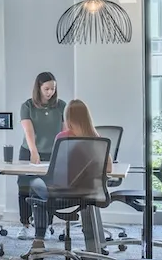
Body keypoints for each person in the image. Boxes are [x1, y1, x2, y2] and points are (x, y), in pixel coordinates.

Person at [27, 97, 112, 243]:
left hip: (62, 193)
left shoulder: (63, 137)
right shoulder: (96, 139)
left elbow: (56, 169)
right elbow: (109, 167)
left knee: (34, 185)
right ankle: (94, 243)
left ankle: (39, 239)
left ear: (68, 118)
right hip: (89, 193)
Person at [17, 71, 65, 237]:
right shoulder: (27, 106)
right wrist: (33, 151)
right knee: (25, 186)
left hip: (53, 153)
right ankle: (25, 224)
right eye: (46, 89)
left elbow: (65, 131)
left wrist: (63, 152)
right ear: (39, 88)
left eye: (52, 89)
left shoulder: (61, 106)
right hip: (30, 151)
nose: (50, 92)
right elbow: (28, 131)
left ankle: (47, 224)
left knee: (48, 189)